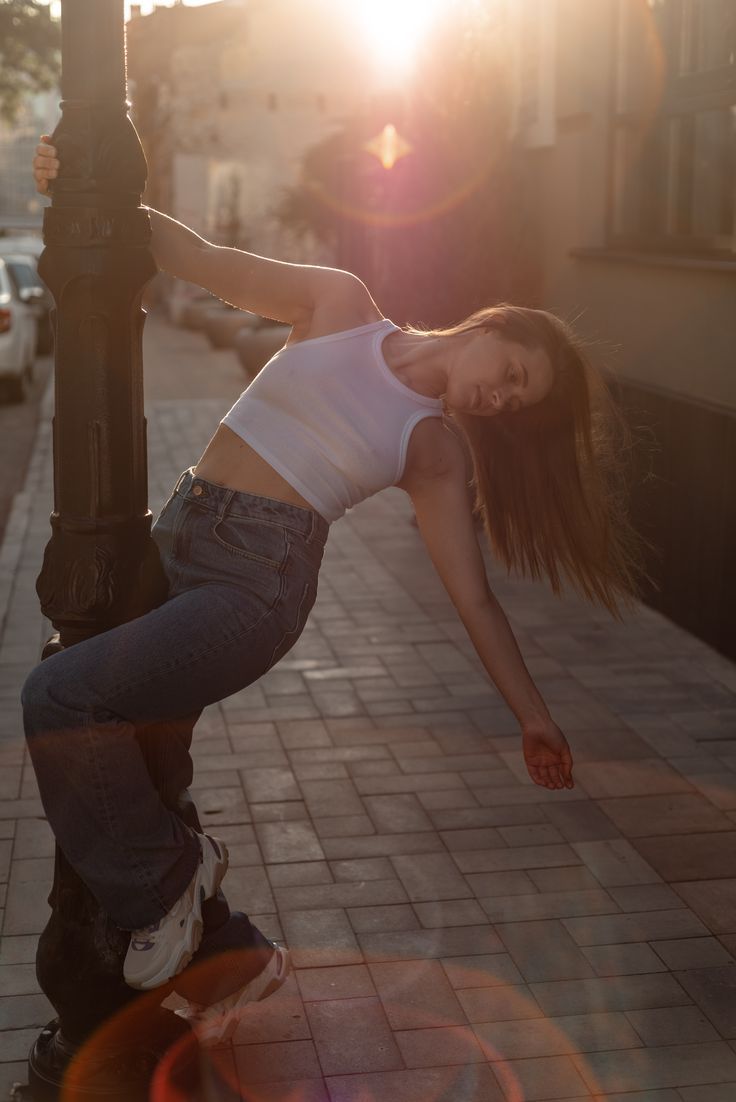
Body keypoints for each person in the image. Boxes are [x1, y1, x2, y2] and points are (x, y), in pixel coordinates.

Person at [27, 139, 643, 1039]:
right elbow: (200, 258)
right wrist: (93, 188)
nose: (502, 398)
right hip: (177, 536)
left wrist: (533, 714)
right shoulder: (339, 304)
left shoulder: (434, 451)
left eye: (518, 403)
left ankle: (167, 892)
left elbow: (476, 600)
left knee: (62, 698)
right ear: (492, 325)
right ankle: (229, 958)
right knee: (146, 761)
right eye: (513, 374)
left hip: (252, 591)